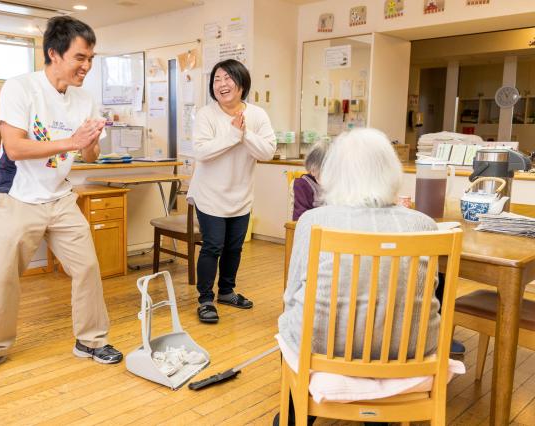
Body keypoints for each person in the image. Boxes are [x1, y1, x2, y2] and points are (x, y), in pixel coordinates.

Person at [0, 16, 122, 380]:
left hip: (60, 197)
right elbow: (16, 147)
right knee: (3, 276)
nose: (87, 66)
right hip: (18, 196)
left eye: (91, 59)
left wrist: (92, 141)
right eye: (80, 58)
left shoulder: (84, 98)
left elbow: (90, 157)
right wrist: (73, 140)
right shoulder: (21, 88)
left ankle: (90, 340)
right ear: (54, 54)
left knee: (86, 267)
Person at [276, 128, 441, 425]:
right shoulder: (424, 225)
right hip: (409, 349)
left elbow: (291, 296)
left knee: (289, 323)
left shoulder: (313, 222)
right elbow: (429, 294)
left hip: (323, 345)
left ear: (334, 172)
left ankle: (294, 415)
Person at [187, 59, 276, 324]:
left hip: (241, 194)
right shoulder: (206, 114)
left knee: (234, 248)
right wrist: (233, 135)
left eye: (227, 78)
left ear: (241, 84)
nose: (221, 84)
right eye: (217, 79)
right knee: (213, 246)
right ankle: (205, 299)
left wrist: (244, 133)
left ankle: (226, 291)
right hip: (210, 194)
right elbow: (202, 152)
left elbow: (268, 152)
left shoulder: (257, 115)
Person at [291, 141, 329, 220]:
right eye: (323, 170)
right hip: (312, 228)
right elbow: (299, 218)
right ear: (312, 169)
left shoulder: (338, 184)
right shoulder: (302, 185)